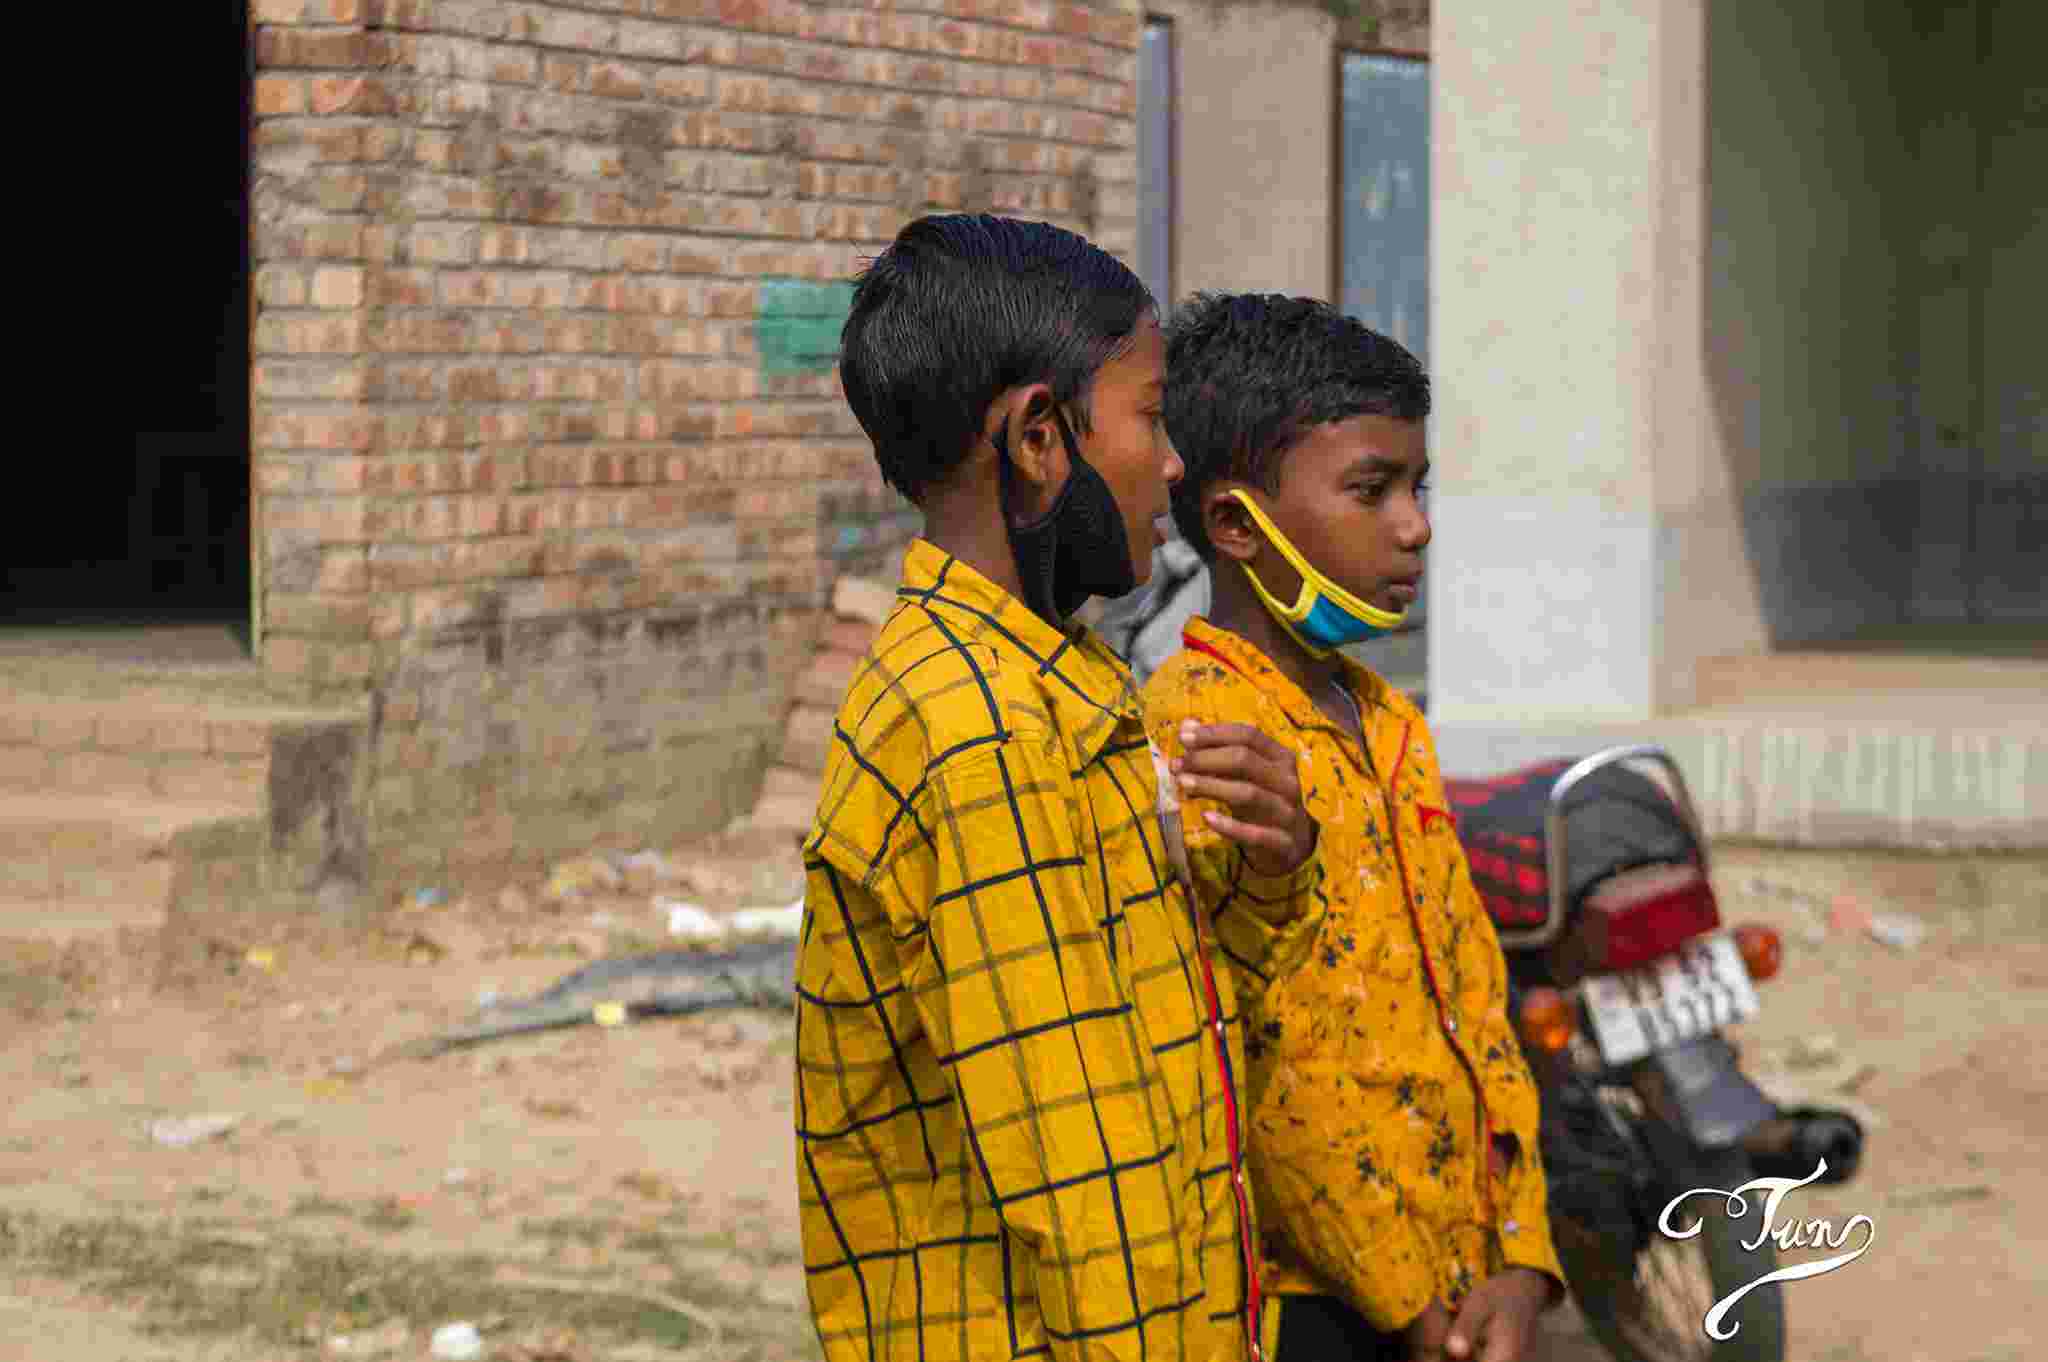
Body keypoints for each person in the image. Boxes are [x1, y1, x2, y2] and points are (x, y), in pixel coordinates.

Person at [793, 216, 1326, 1362]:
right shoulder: (974, 731)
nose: (1173, 464)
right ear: (1040, 438)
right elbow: (1088, 1190)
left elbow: (1159, 1023)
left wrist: (1272, 865)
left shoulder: (1054, 679)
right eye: (1149, 417)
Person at [1138, 293, 1566, 1362]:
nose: (1414, 525)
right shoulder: (1203, 737)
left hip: (1463, 1274)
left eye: (1418, 487)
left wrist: (1521, 1257)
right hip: (1314, 1304)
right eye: (1371, 490)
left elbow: (1476, 998)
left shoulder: (1387, 723)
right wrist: (1409, 1309)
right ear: (1237, 526)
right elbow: (1266, 1059)